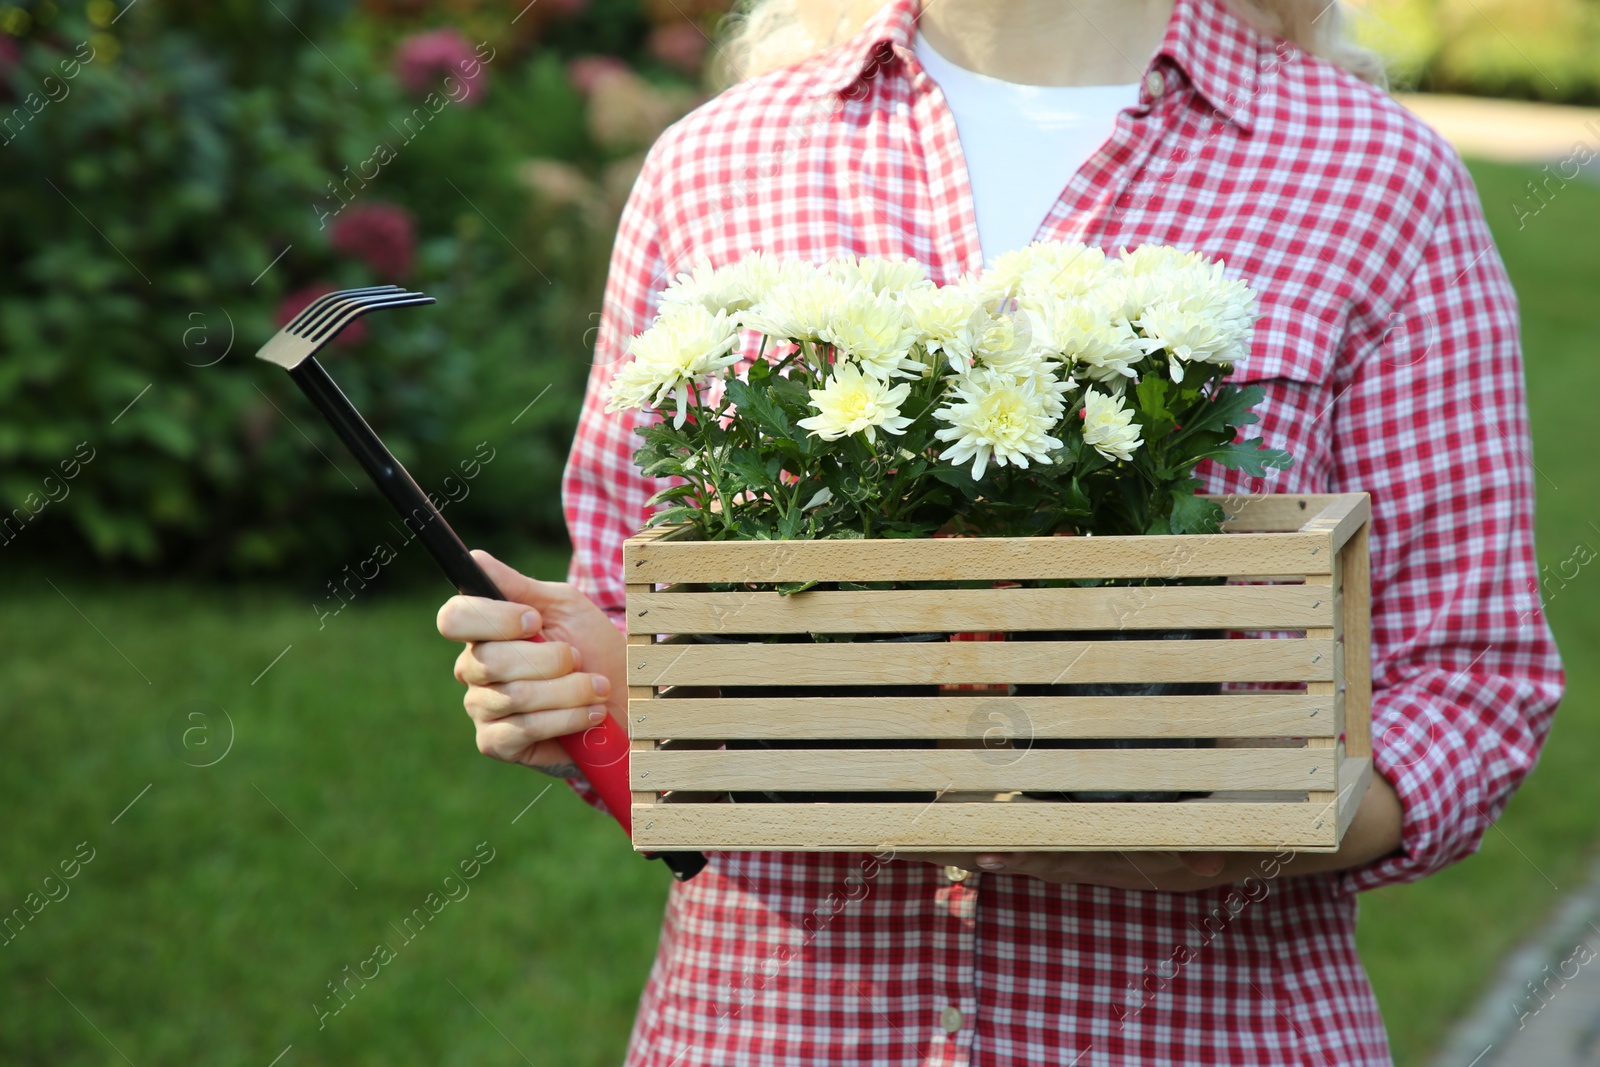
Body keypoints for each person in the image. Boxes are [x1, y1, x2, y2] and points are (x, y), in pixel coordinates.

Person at [435, 0, 1565, 1061]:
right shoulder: (717, 164)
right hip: (777, 1021)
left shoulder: (1370, 176)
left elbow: (1466, 677)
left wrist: (1253, 826)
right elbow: (647, 622)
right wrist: (579, 685)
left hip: (1194, 1025)